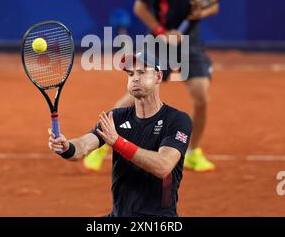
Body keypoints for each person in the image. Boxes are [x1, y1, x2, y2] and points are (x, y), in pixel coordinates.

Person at [84, 0, 219, 172]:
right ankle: (101, 143)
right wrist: (162, 32)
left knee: (201, 97)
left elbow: (214, 5)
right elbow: (140, 8)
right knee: (134, 92)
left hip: (191, 43)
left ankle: (193, 152)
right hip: (159, 42)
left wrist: (203, 10)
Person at [48, 51, 192, 217]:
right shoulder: (116, 117)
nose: (135, 78)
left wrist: (118, 143)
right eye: (130, 74)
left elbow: (163, 166)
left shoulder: (176, 120)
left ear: (158, 77)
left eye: (142, 72)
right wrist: (67, 147)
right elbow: (83, 146)